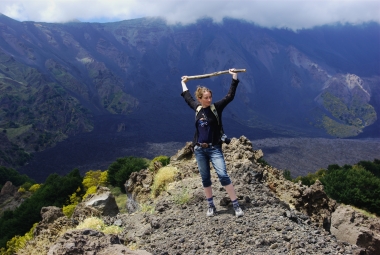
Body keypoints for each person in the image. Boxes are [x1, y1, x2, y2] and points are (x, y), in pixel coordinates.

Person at [181, 68, 244, 217]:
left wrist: (234, 76)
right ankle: (211, 206)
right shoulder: (197, 109)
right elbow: (187, 96)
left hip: (214, 148)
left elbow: (229, 96)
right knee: (205, 178)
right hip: (199, 149)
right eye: (206, 97)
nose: (209, 100)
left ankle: (236, 205)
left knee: (223, 175)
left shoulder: (216, 108)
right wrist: (183, 83)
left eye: (210, 97)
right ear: (200, 98)